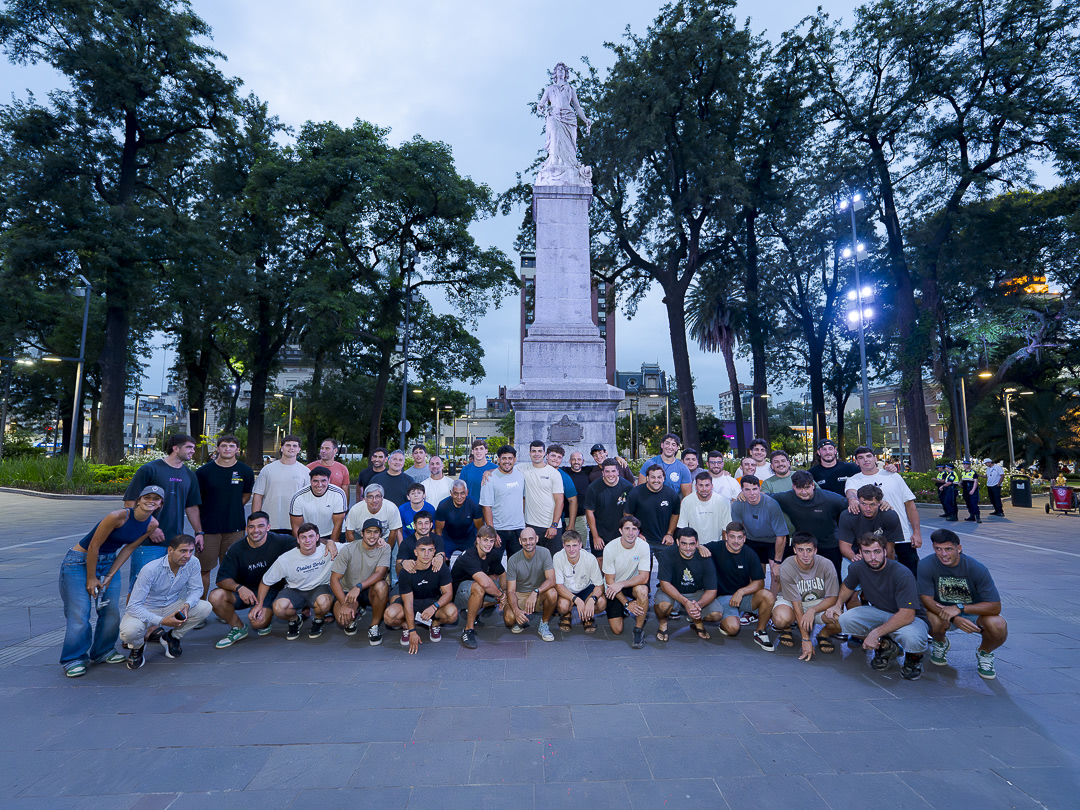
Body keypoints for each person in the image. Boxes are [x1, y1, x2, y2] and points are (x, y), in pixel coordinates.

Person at [59, 487, 162, 677]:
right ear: (138, 500)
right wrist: (91, 577)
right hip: (79, 561)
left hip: (107, 562)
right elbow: (94, 545)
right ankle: (73, 658)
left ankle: (103, 651)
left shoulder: (152, 524)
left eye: (156, 499)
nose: (151, 501)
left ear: (160, 504)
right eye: (147, 497)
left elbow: (128, 549)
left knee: (111, 609)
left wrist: (111, 575)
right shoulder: (118, 516)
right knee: (80, 612)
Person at [819, 534, 929, 680]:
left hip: (910, 617)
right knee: (846, 619)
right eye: (867, 552)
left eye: (877, 552)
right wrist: (837, 605)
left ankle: (913, 660)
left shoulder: (902, 574)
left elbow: (907, 615)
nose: (873, 557)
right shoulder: (858, 568)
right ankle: (886, 645)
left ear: (884, 551)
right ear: (861, 553)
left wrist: (875, 633)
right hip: (881, 612)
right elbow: (847, 586)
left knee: (912, 637)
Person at [918, 529, 1007, 680]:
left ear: (959, 548)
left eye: (948, 549)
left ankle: (984, 652)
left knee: (998, 624)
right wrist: (954, 618)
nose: (943, 554)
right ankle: (940, 643)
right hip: (943, 613)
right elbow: (926, 600)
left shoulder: (976, 568)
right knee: (928, 617)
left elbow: (995, 606)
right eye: (938, 549)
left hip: (974, 614)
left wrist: (960, 608)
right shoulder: (926, 565)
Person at [119, 533, 213, 670]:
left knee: (205, 607)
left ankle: (172, 637)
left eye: (190, 551)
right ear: (170, 550)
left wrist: (187, 606)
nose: (187, 555)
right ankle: (137, 648)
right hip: (146, 608)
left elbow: (196, 589)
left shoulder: (192, 562)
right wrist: (161, 621)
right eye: (183, 551)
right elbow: (133, 606)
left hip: (172, 605)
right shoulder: (150, 570)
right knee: (129, 632)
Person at [208, 511, 298, 648]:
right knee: (215, 596)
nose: (256, 530)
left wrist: (330, 543)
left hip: (270, 591)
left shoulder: (281, 541)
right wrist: (239, 588)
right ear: (246, 528)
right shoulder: (236, 549)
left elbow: (307, 542)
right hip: (245, 592)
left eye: (261, 526)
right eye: (251, 527)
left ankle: (267, 614)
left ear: (268, 527)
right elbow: (221, 579)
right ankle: (238, 627)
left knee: (258, 623)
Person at [124, 433, 203, 585]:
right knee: (140, 587)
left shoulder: (190, 475)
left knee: (166, 587)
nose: (193, 451)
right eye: (189, 447)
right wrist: (151, 527)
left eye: (193, 448)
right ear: (175, 448)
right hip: (146, 541)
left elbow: (191, 506)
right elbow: (130, 502)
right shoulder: (149, 469)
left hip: (175, 542)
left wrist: (199, 532)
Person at [844, 447, 922, 576]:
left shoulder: (893, 476)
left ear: (875, 458)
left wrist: (917, 532)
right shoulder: (854, 480)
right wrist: (852, 500)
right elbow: (851, 493)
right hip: (874, 541)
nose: (865, 460)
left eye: (869, 456)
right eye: (861, 458)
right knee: (882, 579)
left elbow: (909, 504)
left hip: (903, 538)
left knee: (910, 576)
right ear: (856, 462)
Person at [252, 523, 335, 641]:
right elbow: (266, 582)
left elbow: (353, 547)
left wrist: (330, 542)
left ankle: (318, 619)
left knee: (325, 603)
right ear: (298, 539)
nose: (307, 540)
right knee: (279, 608)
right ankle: (294, 620)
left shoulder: (328, 550)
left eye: (311, 536)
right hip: (295, 589)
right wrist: (259, 605)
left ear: (317, 537)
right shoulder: (286, 558)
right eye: (303, 537)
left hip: (319, 587)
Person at [195, 434, 254, 597]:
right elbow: (196, 500)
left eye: (231, 446)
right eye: (224, 445)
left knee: (230, 571)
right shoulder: (203, 472)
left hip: (235, 529)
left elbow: (246, 496)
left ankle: (224, 606)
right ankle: (200, 607)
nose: (227, 449)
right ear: (218, 448)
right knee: (203, 570)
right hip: (209, 529)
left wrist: (231, 507)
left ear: (237, 450)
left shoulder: (245, 471)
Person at [701, 522, 776, 650]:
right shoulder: (715, 548)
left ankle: (760, 631)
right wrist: (699, 547)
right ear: (726, 537)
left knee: (768, 595)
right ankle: (724, 621)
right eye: (732, 537)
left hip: (743, 597)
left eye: (739, 537)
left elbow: (760, 582)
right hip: (722, 597)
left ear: (744, 539)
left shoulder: (750, 554)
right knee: (733, 629)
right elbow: (691, 547)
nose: (736, 541)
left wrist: (741, 592)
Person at [772, 533, 839, 660]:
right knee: (781, 618)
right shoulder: (787, 566)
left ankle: (824, 634)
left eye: (809, 550)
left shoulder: (826, 564)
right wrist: (805, 639)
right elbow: (797, 604)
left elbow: (832, 597)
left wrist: (812, 611)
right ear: (794, 550)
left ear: (815, 550)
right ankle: (787, 628)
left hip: (816, 602)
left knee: (840, 619)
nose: (805, 555)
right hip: (791, 601)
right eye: (800, 550)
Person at [384, 535, 456, 653]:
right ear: (415, 552)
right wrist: (412, 632)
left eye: (430, 550)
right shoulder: (406, 571)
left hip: (432, 602)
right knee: (389, 616)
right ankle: (407, 625)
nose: (426, 554)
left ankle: (435, 623)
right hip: (413, 602)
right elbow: (408, 603)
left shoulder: (441, 567)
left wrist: (434, 607)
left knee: (452, 613)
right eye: (422, 550)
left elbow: (448, 594)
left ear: (434, 552)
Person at [773, 471, 849, 578]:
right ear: (793, 487)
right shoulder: (787, 498)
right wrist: (744, 495)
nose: (804, 492)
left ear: (813, 485)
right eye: (799, 488)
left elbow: (852, 506)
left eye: (807, 487)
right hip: (804, 547)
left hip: (829, 546)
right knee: (805, 582)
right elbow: (764, 497)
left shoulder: (830, 498)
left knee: (833, 580)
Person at [329, 518, 391, 645]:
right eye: (368, 532)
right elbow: (334, 579)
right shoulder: (348, 549)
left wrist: (359, 586)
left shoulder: (385, 548)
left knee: (382, 586)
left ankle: (374, 626)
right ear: (362, 534)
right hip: (349, 591)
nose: (372, 535)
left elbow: (380, 573)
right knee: (342, 621)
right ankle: (354, 611)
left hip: (368, 590)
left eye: (376, 532)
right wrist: (344, 603)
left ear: (380, 535)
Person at [655, 528, 719, 642]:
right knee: (663, 606)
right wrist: (686, 602)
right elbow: (664, 584)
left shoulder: (705, 557)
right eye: (684, 544)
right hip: (672, 592)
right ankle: (663, 623)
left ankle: (696, 619)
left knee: (716, 614)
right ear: (678, 542)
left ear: (697, 543)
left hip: (695, 593)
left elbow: (712, 590)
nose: (688, 548)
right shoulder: (667, 554)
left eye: (692, 544)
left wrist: (698, 605)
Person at [535, 61, 592, 183]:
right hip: (554, 116)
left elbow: (577, 107)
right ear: (555, 73)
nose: (560, 71)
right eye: (558, 69)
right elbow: (541, 102)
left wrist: (585, 119)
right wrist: (540, 107)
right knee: (554, 137)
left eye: (563, 69)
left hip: (569, 118)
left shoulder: (570, 89)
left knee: (570, 146)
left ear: (566, 73)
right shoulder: (550, 89)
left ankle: (569, 165)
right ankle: (554, 163)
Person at [730, 475, 788, 592]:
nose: (752, 493)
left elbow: (781, 535)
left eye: (754, 489)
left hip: (772, 540)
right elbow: (737, 530)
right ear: (742, 490)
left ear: (759, 488)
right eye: (747, 490)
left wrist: (777, 562)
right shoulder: (738, 504)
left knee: (776, 574)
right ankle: (756, 603)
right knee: (753, 575)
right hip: (752, 539)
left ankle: (773, 603)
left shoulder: (771, 505)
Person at [452, 526, 507, 649]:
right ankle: (468, 630)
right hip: (457, 595)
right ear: (478, 540)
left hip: (475, 590)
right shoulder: (469, 556)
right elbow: (485, 583)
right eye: (485, 540)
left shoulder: (491, 554)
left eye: (491, 541)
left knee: (499, 586)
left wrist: (505, 592)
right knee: (481, 586)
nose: (488, 544)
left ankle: (470, 611)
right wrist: (502, 596)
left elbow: (502, 574)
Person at [602, 516, 652, 649]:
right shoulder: (610, 548)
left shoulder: (643, 546)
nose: (631, 532)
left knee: (642, 590)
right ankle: (625, 608)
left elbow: (644, 578)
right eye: (627, 529)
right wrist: (627, 603)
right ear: (620, 531)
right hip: (613, 587)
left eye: (634, 529)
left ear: (638, 532)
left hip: (631, 584)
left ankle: (638, 629)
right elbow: (610, 582)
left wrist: (622, 584)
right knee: (617, 630)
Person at [504, 527, 557, 641]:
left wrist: (535, 592)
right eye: (524, 540)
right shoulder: (513, 560)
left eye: (531, 539)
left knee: (552, 593)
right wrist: (516, 610)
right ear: (520, 541)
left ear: (536, 539)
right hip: (520, 594)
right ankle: (520, 618)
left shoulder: (544, 552)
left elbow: (551, 580)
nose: (528, 543)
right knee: (509, 619)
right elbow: (511, 591)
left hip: (538, 594)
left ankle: (544, 624)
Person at [251, 435, 308, 534]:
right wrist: (256, 520)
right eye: (288, 445)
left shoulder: (305, 471)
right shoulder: (268, 469)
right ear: (281, 448)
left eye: (295, 446)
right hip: (269, 523)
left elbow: (308, 499)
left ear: (299, 449)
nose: (291, 448)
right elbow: (258, 495)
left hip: (295, 524)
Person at [552, 529, 605, 634]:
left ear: (580, 545)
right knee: (562, 606)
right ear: (563, 545)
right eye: (568, 546)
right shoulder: (557, 557)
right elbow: (558, 586)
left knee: (602, 603)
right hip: (567, 590)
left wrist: (592, 599)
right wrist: (576, 600)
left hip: (586, 588)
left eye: (574, 545)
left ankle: (588, 616)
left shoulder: (590, 558)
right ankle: (567, 614)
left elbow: (600, 585)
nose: (571, 549)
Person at [837, 484, 903, 567]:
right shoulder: (848, 516)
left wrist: (888, 568)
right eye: (863, 504)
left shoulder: (889, 516)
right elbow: (845, 546)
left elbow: (889, 549)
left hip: (881, 556)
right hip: (854, 555)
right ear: (858, 501)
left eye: (872, 504)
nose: (867, 508)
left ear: (880, 503)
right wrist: (854, 557)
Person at [479, 445, 527, 556]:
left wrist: (523, 522)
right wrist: (492, 532)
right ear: (499, 460)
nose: (507, 461)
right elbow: (486, 507)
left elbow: (523, 498)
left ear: (514, 459)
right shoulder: (490, 478)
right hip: (498, 530)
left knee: (516, 567)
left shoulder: (520, 474)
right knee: (494, 568)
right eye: (504, 458)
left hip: (517, 529)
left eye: (510, 458)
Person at [519, 440, 564, 554]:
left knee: (553, 561)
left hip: (552, 527)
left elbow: (560, 501)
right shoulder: (523, 468)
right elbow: (505, 469)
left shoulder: (553, 473)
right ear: (529, 453)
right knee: (533, 562)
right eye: (533, 451)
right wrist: (489, 472)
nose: (536, 453)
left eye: (539, 451)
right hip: (532, 525)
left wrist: (554, 525)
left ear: (544, 453)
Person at [625, 463, 681, 555]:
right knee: (641, 567)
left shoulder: (672, 495)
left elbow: (675, 514)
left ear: (664, 478)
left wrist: (670, 534)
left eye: (659, 477)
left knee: (666, 568)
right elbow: (627, 514)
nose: (656, 480)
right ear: (647, 478)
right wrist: (636, 534)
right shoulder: (635, 493)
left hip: (663, 540)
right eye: (653, 477)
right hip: (641, 540)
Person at [289, 466, 348, 542]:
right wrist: (301, 544)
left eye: (323, 481)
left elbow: (338, 524)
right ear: (310, 481)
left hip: (331, 532)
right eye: (315, 481)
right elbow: (296, 527)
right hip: (309, 534)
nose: (319, 485)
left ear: (329, 480)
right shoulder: (298, 497)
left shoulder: (338, 494)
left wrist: (333, 544)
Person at [677, 470, 732, 546]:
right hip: (694, 546)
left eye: (707, 485)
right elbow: (683, 527)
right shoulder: (687, 501)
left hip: (716, 545)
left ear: (712, 486)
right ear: (696, 486)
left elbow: (726, 528)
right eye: (701, 485)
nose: (704, 489)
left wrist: (723, 548)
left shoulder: (721, 501)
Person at [434, 480, 484, 558]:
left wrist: (479, 545)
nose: (459, 497)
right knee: (442, 561)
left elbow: (480, 528)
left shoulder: (474, 504)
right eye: (456, 494)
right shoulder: (443, 506)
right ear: (451, 493)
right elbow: (438, 531)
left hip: (468, 538)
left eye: (462, 493)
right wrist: (440, 551)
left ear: (467, 492)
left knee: (473, 562)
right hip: (448, 539)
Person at [637, 433, 692, 497]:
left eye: (673, 444)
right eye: (667, 443)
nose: (670, 447)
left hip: (672, 505)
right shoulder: (649, 463)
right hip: (650, 504)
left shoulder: (683, 469)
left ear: (677, 448)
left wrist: (677, 506)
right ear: (662, 445)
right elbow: (640, 490)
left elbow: (687, 496)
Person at [395, 511, 447, 578]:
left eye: (426, 523)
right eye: (420, 523)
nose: (423, 527)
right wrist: (403, 563)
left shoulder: (437, 539)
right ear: (414, 526)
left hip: (432, 576)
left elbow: (442, 557)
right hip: (413, 577)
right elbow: (397, 570)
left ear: (431, 525)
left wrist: (440, 557)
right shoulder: (406, 543)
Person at [558, 448, 592, 542]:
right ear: (569, 461)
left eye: (579, 459)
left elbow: (604, 465)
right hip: (566, 518)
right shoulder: (564, 471)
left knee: (582, 545)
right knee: (566, 545)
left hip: (581, 518)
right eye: (573, 459)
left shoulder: (588, 471)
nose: (576, 462)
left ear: (583, 461)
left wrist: (618, 458)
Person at [960, 459, 982, 523]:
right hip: (965, 489)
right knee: (968, 503)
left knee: (974, 503)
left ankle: (978, 517)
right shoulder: (963, 472)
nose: (965, 465)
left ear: (969, 465)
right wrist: (960, 484)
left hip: (972, 488)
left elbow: (975, 482)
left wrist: (973, 490)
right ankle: (971, 515)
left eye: (966, 464)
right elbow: (962, 479)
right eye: (964, 464)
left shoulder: (973, 472)